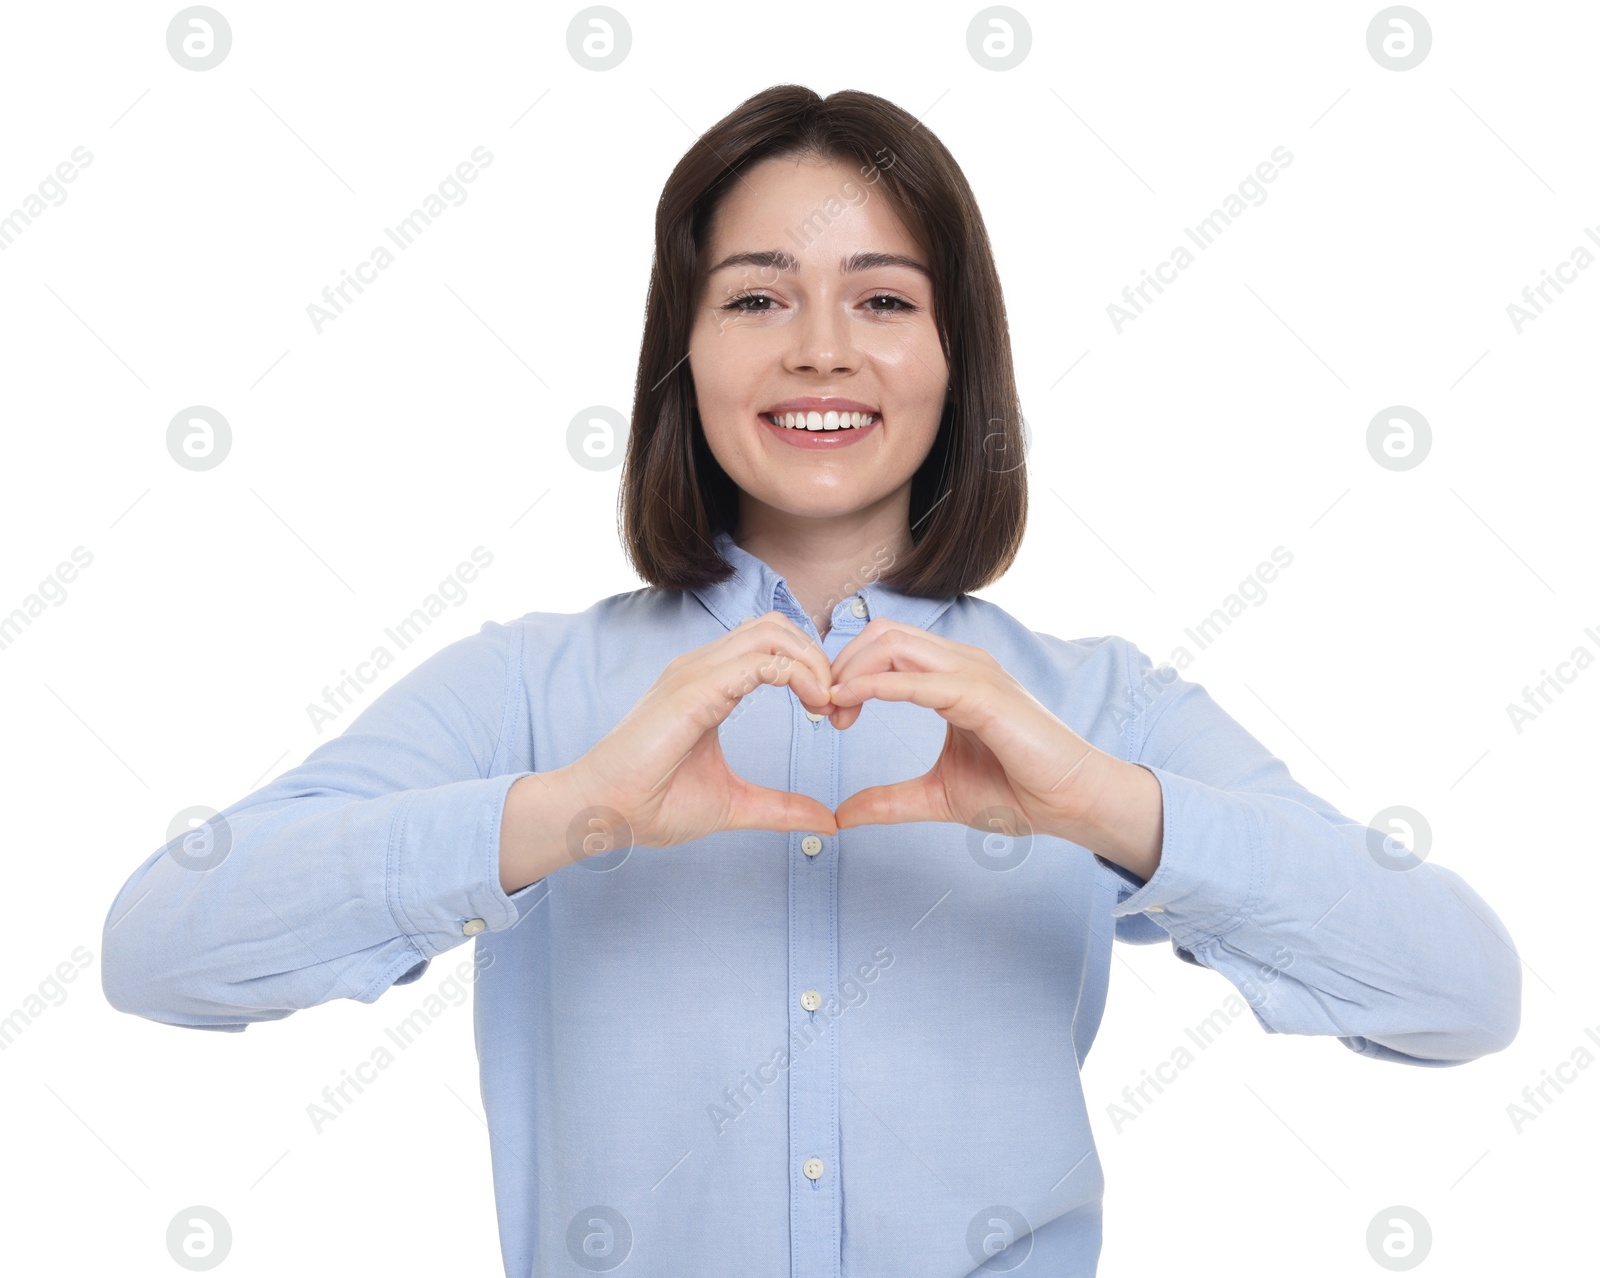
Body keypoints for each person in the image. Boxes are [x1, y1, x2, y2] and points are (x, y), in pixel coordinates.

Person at [102, 84, 1521, 1277]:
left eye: (883, 298)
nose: (821, 347)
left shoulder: (1098, 709)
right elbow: (159, 946)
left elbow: (1462, 994)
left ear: (954, 355)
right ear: (687, 352)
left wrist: (1106, 805)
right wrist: (574, 810)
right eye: (757, 295)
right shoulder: (526, 689)